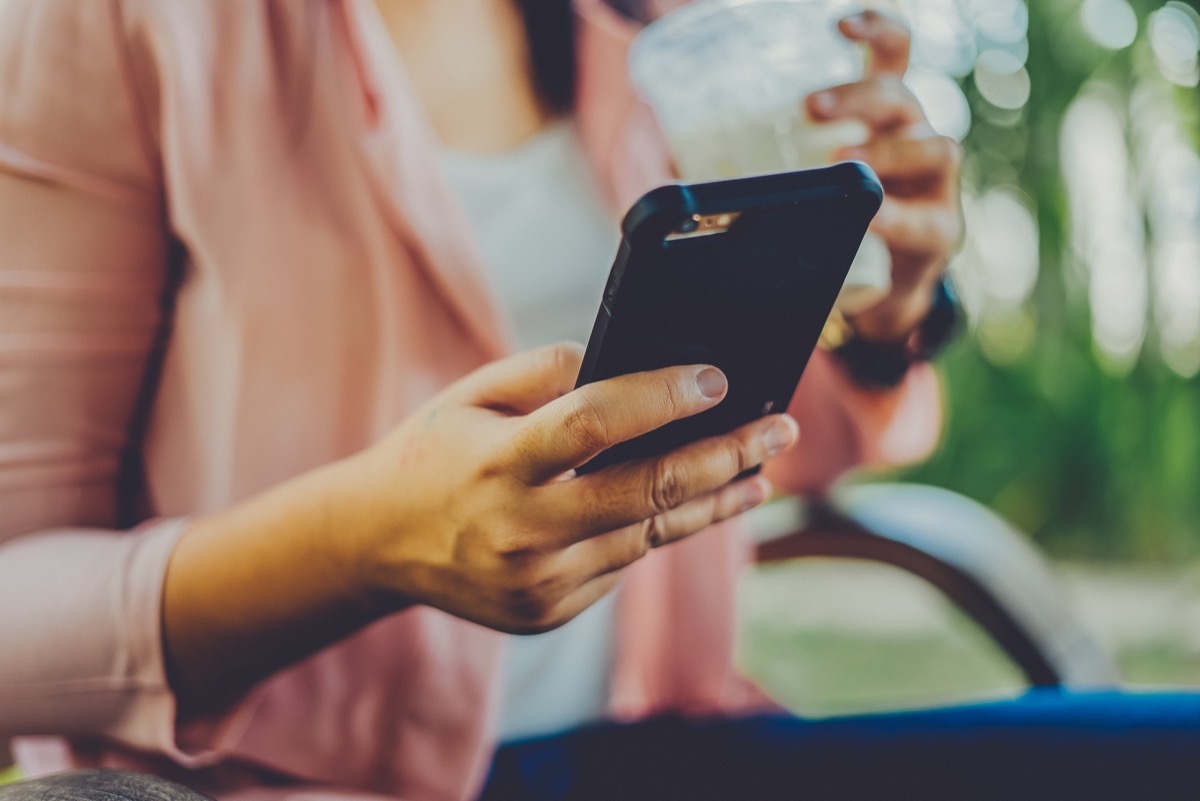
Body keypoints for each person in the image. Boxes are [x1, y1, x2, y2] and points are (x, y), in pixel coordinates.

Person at [9, 3, 1182, 801]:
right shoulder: (126, 27)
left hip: (661, 750)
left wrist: (885, 309)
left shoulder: (657, 33)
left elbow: (756, 427)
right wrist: (364, 546)